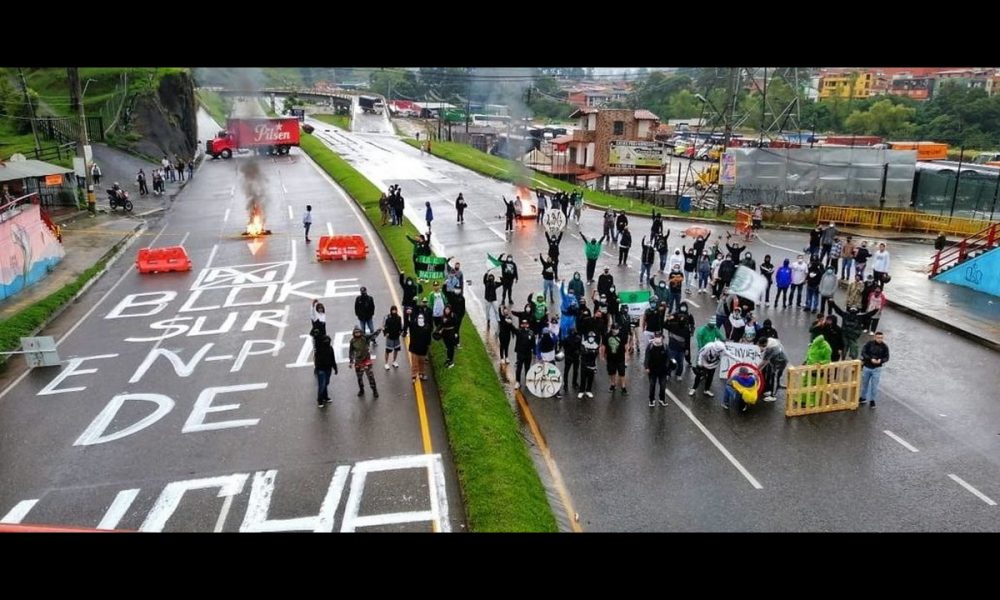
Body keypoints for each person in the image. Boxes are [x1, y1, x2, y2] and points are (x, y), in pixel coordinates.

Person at [859, 331, 889, 407]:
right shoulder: (869, 344)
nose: (880, 339)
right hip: (867, 366)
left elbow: (887, 357)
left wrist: (881, 360)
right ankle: (863, 397)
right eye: (878, 337)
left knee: (874, 385)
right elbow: (863, 352)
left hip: (877, 369)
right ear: (875, 337)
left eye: (881, 338)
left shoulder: (885, 347)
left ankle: (872, 400)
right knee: (864, 383)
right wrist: (870, 359)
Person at [348, 327, 379, 398]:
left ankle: (374, 390)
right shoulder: (352, 341)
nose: (357, 333)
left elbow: (373, 335)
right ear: (354, 333)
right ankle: (361, 390)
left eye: (358, 332)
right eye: (356, 332)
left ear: (360, 332)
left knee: (370, 376)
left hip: (366, 360)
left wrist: (378, 330)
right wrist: (351, 361)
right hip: (358, 362)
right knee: (359, 377)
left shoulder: (365, 338)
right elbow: (351, 352)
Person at [644, 331, 673, 407]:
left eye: (659, 337)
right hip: (652, 370)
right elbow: (647, 357)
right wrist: (646, 367)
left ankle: (662, 399)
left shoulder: (665, 347)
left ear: (662, 338)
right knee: (652, 385)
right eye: (656, 337)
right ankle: (651, 400)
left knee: (663, 386)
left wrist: (667, 368)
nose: (657, 338)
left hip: (662, 370)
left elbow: (668, 358)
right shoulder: (650, 346)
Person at [409, 298, 433, 382]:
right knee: (414, 363)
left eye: (421, 318)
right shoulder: (413, 326)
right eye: (419, 318)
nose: (420, 319)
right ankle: (414, 376)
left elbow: (428, 337)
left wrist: (428, 344)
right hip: (414, 348)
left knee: (422, 362)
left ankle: (421, 374)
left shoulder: (427, 327)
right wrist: (414, 302)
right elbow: (412, 312)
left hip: (423, 348)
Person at [757, 336, 787, 401]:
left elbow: (764, 361)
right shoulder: (771, 340)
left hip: (779, 362)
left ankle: (773, 396)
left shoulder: (770, 348)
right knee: (777, 375)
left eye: (761, 346)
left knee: (774, 377)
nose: (760, 348)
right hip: (783, 359)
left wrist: (756, 369)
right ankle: (777, 386)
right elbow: (767, 361)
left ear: (764, 344)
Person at [313, 334, 338, 407]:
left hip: (328, 368)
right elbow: (316, 339)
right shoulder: (319, 348)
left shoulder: (330, 348)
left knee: (326, 383)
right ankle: (320, 400)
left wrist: (335, 367)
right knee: (322, 384)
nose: (326, 342)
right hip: (321, 369)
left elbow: (333, 358)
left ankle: (325, 397)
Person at [603, 323, 628, 395]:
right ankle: (613, 384)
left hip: (620, 357)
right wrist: (603, 355)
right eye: (615, 329)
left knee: (622, 373)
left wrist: (626, 356)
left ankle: (623, 387)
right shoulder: (607, 335)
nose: (616, 330)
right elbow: (604, 346)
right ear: (611, 329)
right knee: (611, 372)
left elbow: (626, 345)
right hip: (610, 358)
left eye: (617, 329)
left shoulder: (622, 335)